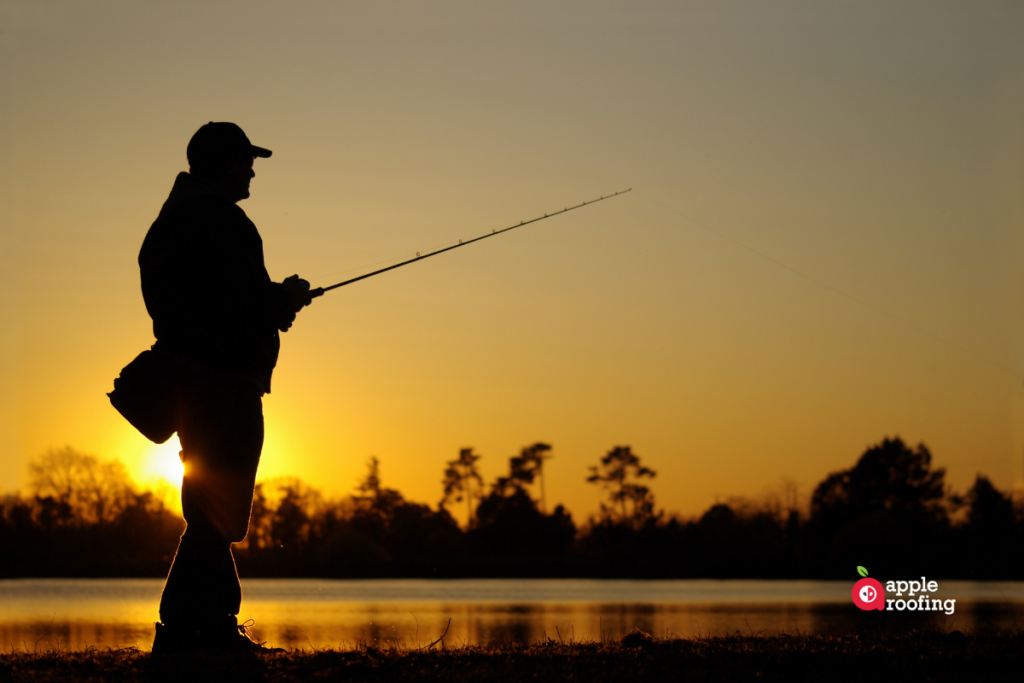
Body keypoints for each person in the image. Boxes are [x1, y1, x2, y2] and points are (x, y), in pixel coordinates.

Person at [139, 122, 312, 653]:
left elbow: (200, 302)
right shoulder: (224, 221)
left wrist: (269, 303)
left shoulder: (170, 221)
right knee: (221, 510)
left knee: (212, 507)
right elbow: (239, 305)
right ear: (223, 163)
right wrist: (283, 300)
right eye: (246, 160)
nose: (253, 170)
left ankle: (200, 628)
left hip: (192, 382)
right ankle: (194, 628)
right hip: (224, 382)